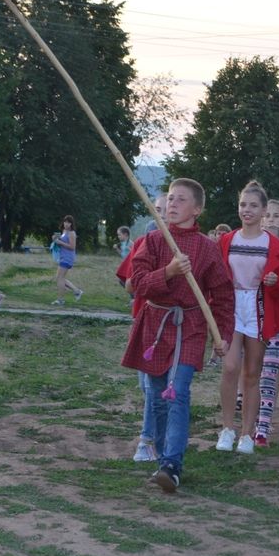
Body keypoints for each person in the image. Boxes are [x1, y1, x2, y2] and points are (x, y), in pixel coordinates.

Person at [122, 179, 234, 493]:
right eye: (170, 198)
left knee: (178, 391)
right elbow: (137, 284)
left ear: (197, 209)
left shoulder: (207, 248)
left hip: (190, 326)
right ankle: (160, 454)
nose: (171, 204)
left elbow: (223, 295)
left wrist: (221, 334)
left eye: (180, 200)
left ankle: (172, 464)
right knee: (157, 396)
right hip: (156, 324)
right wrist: (168, 272)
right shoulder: (154, 240)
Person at [216, 181, 279, 454]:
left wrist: (273, 281)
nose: (247, 210)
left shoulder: (274, 245)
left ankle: (247, 433)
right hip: (232, 306)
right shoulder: (227, 240)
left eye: (253, 206)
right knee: (231, 366)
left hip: (259, 308)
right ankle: (226, 428)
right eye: (243, 205)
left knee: (252, 373)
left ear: (264, 210)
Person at [117, 193, 168, 463]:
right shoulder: (144, 242)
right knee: (146, 386)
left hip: (172, 325)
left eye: (165, 208)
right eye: (156, 209)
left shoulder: (184, 247)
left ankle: (149, 439)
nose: (160, 214)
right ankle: (159, 434)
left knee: (156, 386)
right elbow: (129, 284)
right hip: (145, 321)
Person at [254, 200, 279, 445]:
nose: (269, 219)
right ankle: (251, 417)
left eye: (275, 215)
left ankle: (263, 425)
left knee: (270, 371)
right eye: (266, 215)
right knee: (252, 370)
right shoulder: (245, 246)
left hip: (278, 321)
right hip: (251, 319)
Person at [51, 214, 83, 305]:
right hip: (62, 257)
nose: (66, 224)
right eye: (65, 222)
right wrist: (55, 239)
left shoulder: (72, 233)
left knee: (60, 278)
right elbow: (61, 242)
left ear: (72, 224)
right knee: (59, 278)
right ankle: (77, 291)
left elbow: (72, 247)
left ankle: (60, 300)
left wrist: (59, 242)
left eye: (69, 222)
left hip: (68, 258)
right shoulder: (64, 231)